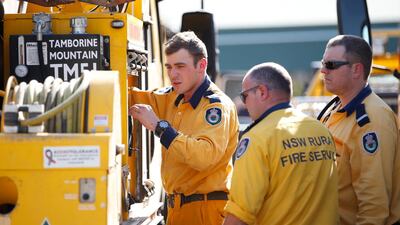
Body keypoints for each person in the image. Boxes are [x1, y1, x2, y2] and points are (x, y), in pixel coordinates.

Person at [129, 31, 239, 225]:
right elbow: (128, 96)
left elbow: (204, 156)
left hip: (205, 211)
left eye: (180, 66)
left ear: (202, 65)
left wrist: (159, 127)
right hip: (177, 209)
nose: (173, 74)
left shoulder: (216, 106)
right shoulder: (174, 97)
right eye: (169, 67)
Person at [223, 62, 338, 225]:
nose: (244, 103)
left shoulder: (257, 138)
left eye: (244, 96)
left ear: (262, 92)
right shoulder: (321, 130)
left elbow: (239, 215)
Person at [317, 35, 400, 225]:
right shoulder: (336, 108)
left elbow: (374, 205)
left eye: (330, 65)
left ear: (356, 70)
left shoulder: (372, 120)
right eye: (323, 63)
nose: (323, 70)